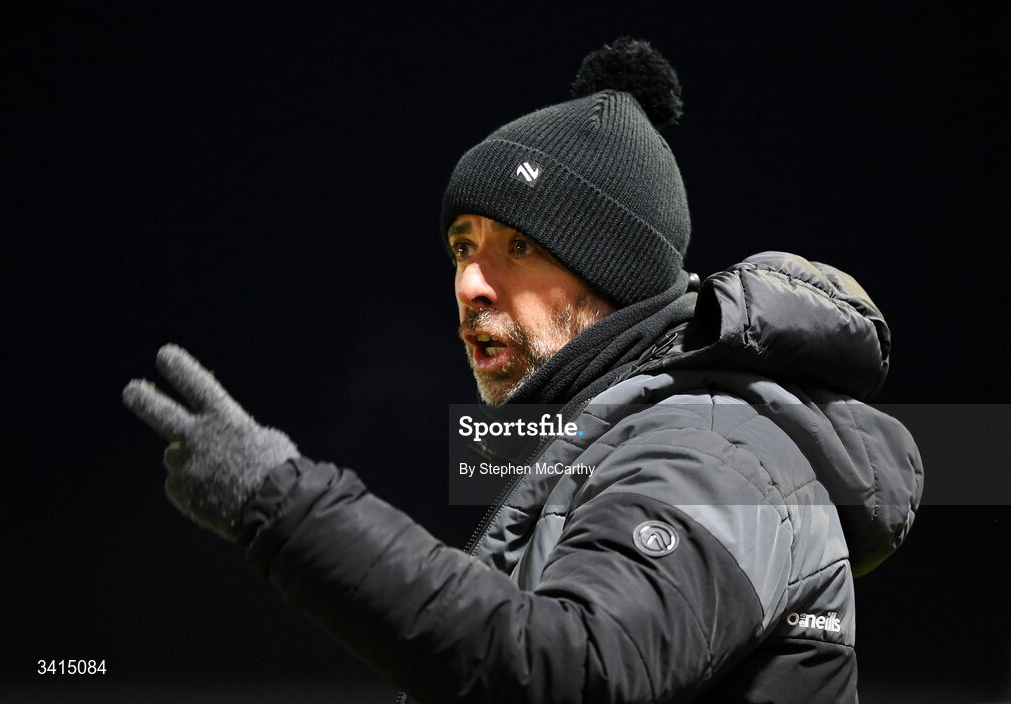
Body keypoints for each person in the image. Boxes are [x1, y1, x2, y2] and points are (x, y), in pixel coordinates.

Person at [123, 38, 923, 703]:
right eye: (462, 246)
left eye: (519, 246)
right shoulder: (620, 443)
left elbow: (578, 670)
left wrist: (286, 505)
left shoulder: (716, 449)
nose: (470, 281)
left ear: (611, 270)